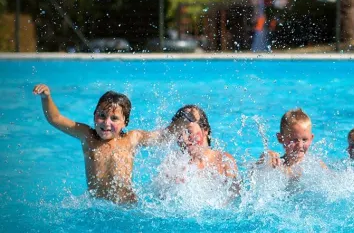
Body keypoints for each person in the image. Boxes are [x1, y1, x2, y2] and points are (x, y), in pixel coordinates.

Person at [32, 84, 174, 205]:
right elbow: (55, 118)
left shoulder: (132, 138)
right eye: (101, 116)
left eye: (114, 118)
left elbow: (162, 136)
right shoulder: (88, 136)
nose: (106, 123)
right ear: (94, 115)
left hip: (127, 207)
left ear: (125, 122)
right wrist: (46, 98)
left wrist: (184, 123)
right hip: (97, 207)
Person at [168, 105, 240, 194]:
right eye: (178, 133)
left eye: (189, 132)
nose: (183, 138)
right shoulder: (174, 164)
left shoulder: (223, 161)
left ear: (205, 130)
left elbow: (236, 197)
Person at [256, 108, 319, 180]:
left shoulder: (315, 165)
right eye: (294, 140)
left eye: (304, 140)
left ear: (311, 138)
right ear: (280, 138)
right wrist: (266, 156)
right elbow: (255, 172)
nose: (300, 145)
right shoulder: (277, 164)